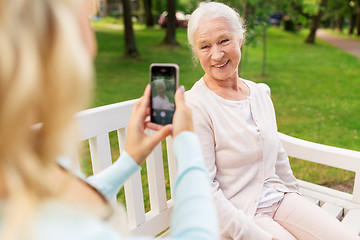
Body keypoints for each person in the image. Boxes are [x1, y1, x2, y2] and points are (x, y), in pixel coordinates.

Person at [0, 0, 218, 240]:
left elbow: (72, 203)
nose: (92, 47)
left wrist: (130, 159)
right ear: (50, 43)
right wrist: (187, 142)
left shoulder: (23, 161)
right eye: (86, 22)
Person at [185, 2, 359, 240]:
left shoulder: (259, 93)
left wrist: (294, 198)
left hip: (278, 198)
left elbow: (277, 155)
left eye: (224, 40)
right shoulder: (196, 106)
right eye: (205, 46)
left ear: (240, 39)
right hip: (238, 216)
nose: (216, 54)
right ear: (196, 52)